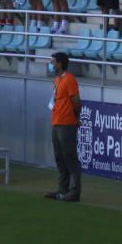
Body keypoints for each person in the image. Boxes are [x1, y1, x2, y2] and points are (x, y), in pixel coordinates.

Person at [45, 52, 81, 203]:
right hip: (57, 122)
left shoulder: (70, 80)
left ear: (60, 63)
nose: (51, 64)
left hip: (66, 124)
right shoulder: (57, 80)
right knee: (60, 158)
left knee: (70, 158)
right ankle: (62, 189)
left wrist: (75, 118)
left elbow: (76, 101)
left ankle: (74, 192)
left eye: (53, 62)